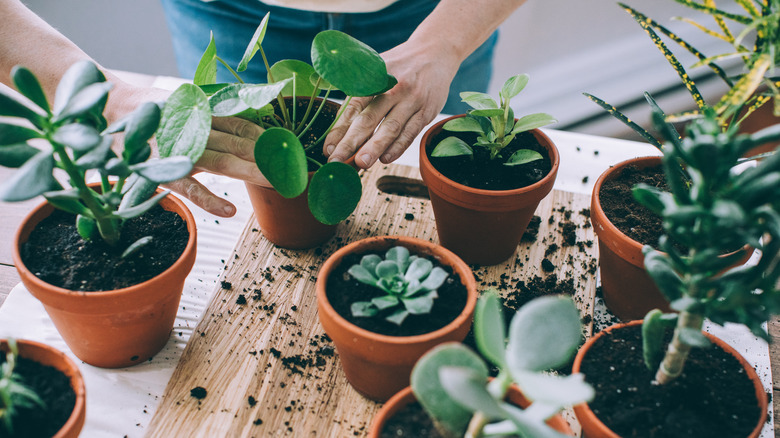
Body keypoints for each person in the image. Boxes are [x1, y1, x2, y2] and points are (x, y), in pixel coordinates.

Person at [1, 0, 525, 217]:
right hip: (228, 15)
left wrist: (448, 41)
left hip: (437, 13)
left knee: (445, 169)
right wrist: (110, 99)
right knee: (248, 159)